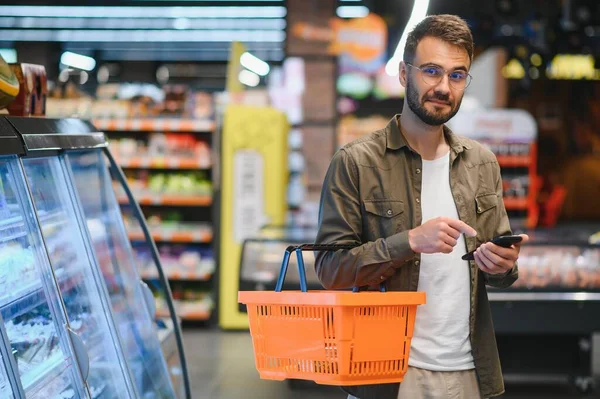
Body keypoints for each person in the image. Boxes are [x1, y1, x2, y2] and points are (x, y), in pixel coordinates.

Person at [314, 14, 529, 399]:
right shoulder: (356, 162)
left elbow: (497, 273)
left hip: (470, 372)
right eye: (431, 71)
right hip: (388, 374)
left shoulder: (482, 163)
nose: (444, 87)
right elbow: (331, 270)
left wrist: (504, 266)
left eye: (457, 75)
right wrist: (409, 241)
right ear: (403, 74)